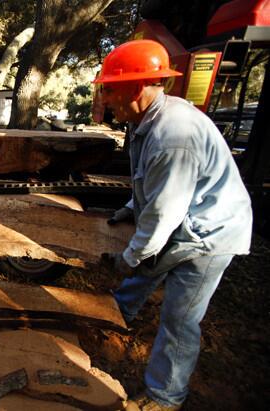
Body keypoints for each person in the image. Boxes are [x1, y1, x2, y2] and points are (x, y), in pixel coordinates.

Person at [95, 39, 253, 411]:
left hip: (212, 234)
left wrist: (129, 256)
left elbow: (164, 214)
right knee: (146, 266)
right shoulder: (148, 121)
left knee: (179, 318)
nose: (106, 99)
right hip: (187, 218)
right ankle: (115, 314)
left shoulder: (172, 137)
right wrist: (131, 208)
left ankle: (165, 397)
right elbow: (152, 187)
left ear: (136, 88)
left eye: (110, 90)